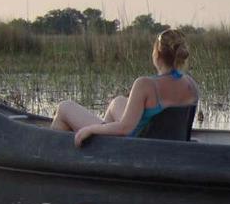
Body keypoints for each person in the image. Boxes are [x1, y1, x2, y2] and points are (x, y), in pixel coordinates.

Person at [51, 28, 199, 148]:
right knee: (118, 101)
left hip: (135, 148)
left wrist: (88, 130)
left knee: (65, 107)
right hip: (169, 147)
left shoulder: (145, 84)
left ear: (157, 55)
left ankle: (57, 154)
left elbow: (124, 129)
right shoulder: (191, 85)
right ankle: (101, 144)